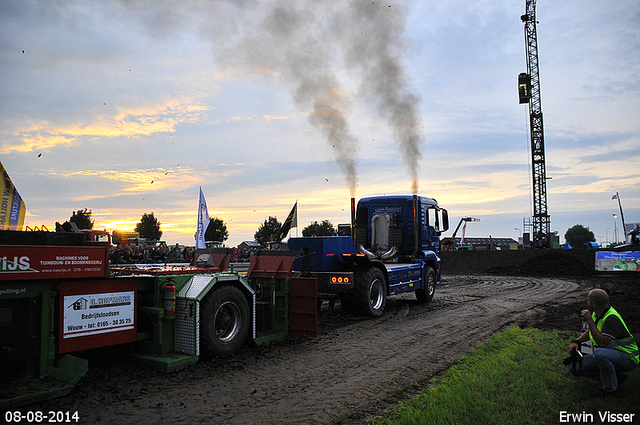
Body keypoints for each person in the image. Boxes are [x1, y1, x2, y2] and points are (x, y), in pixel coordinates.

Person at [567, 289, 638, 392]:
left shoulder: (612, 318)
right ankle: (616, 378)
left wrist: (590, 320)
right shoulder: (598, 313)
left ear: (594, 304)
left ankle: (610, 389)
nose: (587, 302)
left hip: (627, 357)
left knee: (600, 353)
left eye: (588, 300)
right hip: (611, 355)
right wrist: (577, 341)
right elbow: (593, 330)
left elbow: (602, 343)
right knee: (575, 368)